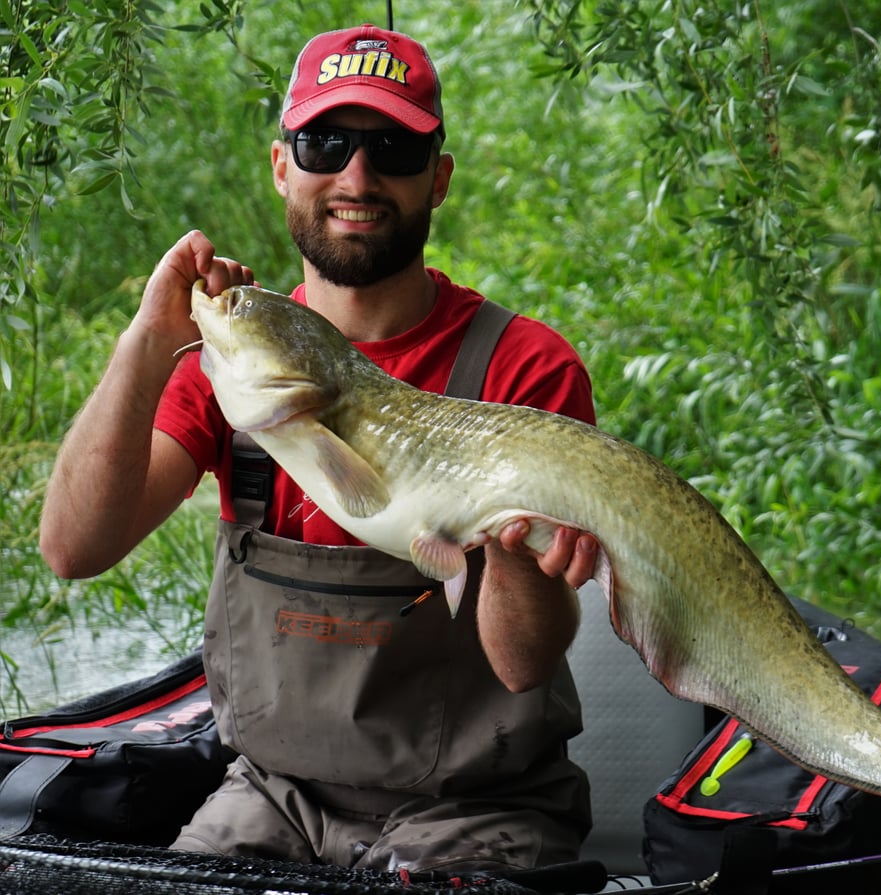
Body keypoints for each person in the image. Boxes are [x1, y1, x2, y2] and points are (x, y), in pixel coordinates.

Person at [39, 24, 600, 873]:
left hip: (476, 807)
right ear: (280, 166)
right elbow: (73, 548)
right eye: (325, 142)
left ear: (438, 178)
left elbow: (523, 666)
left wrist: (509, 546)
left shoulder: (524, 368)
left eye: (393, 149)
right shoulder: (235, 363)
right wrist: (147, 342)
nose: (358, 176)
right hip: (273, 795)